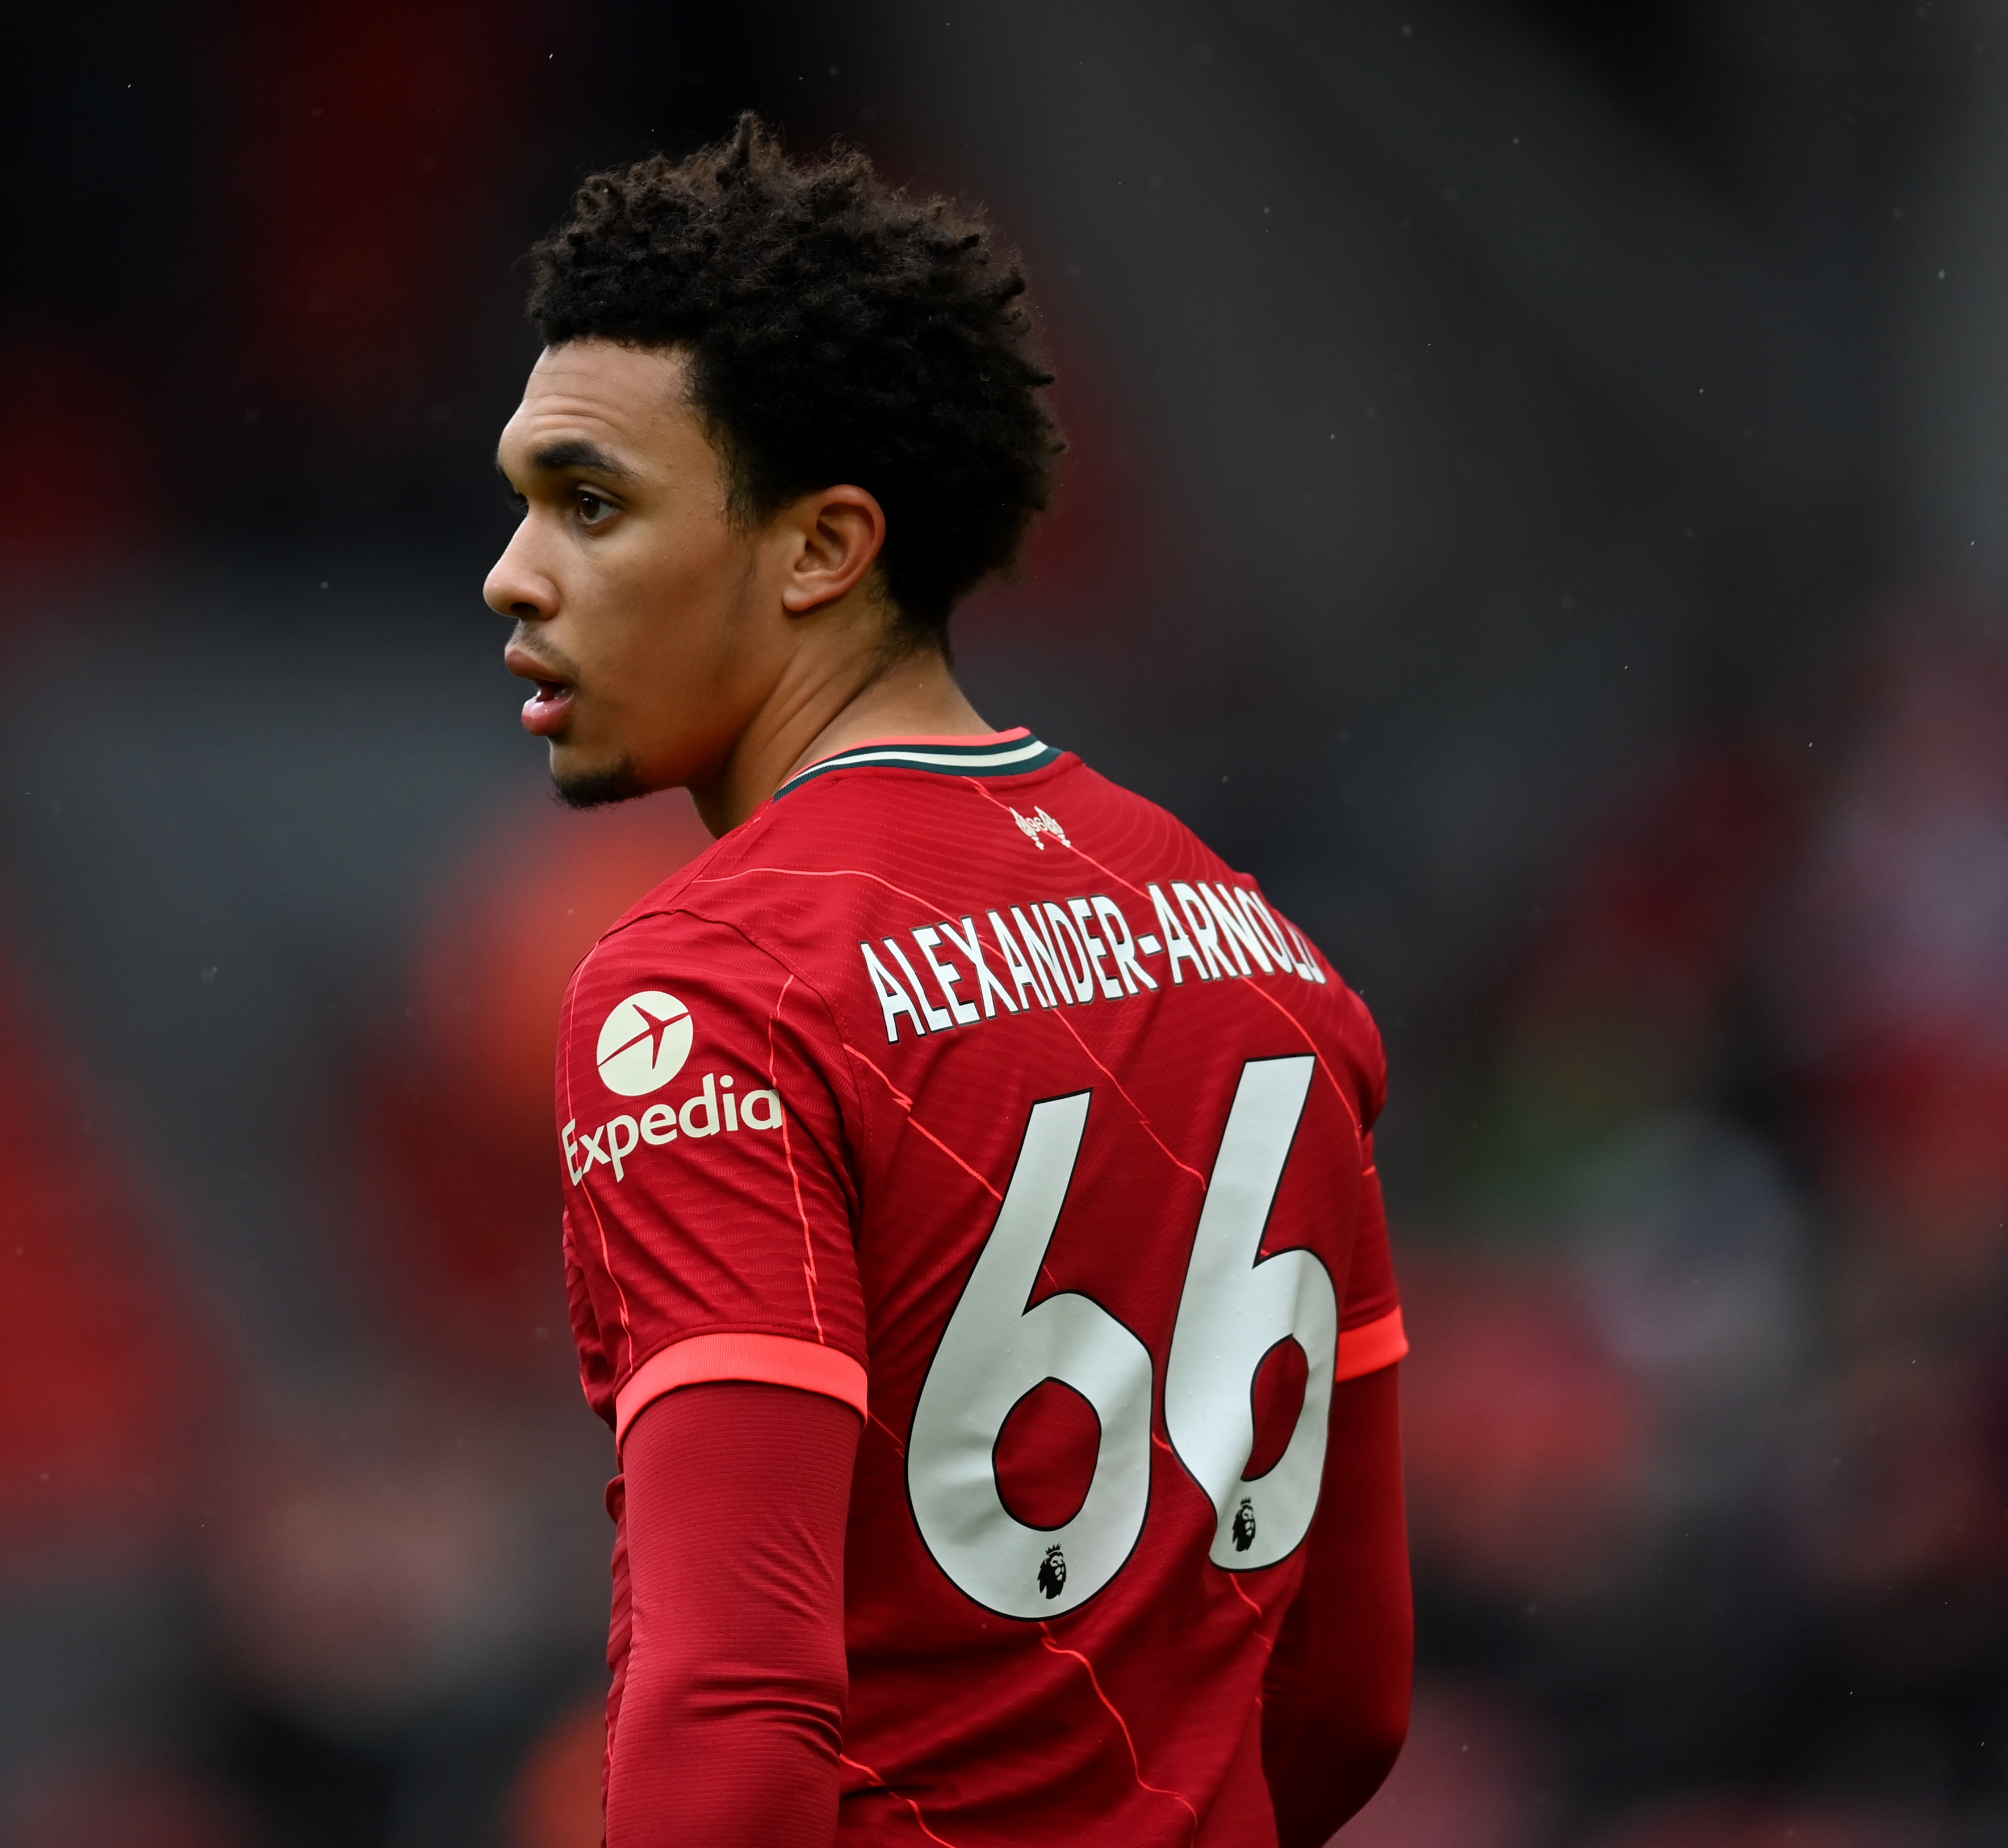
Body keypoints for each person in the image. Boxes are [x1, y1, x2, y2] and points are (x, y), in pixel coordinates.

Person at [484, 115, 1412, 1847]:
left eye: (589, 506)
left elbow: (733, 1704)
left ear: (823, 547)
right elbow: (1348, 1693)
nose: (513, 575)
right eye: (523, 503)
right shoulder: (1270, 959)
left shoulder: (713, 990)